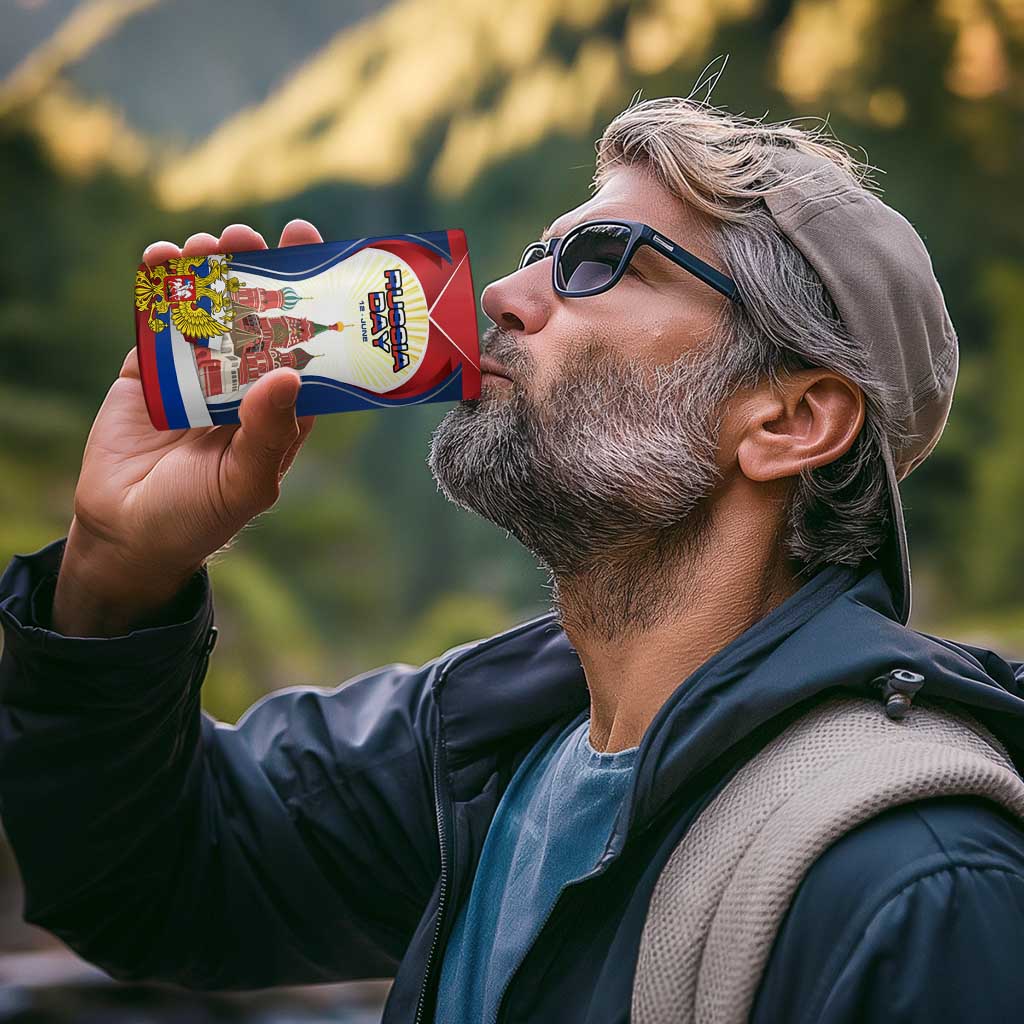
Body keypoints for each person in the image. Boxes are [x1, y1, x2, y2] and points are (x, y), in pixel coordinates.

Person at [2, 96, 1024, 1024]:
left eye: (601, 261)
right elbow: (149, 879)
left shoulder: (919, 887)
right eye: (541, 252)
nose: (501, 293)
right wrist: (116, 572)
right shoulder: (482, 746)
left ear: (790, 421)